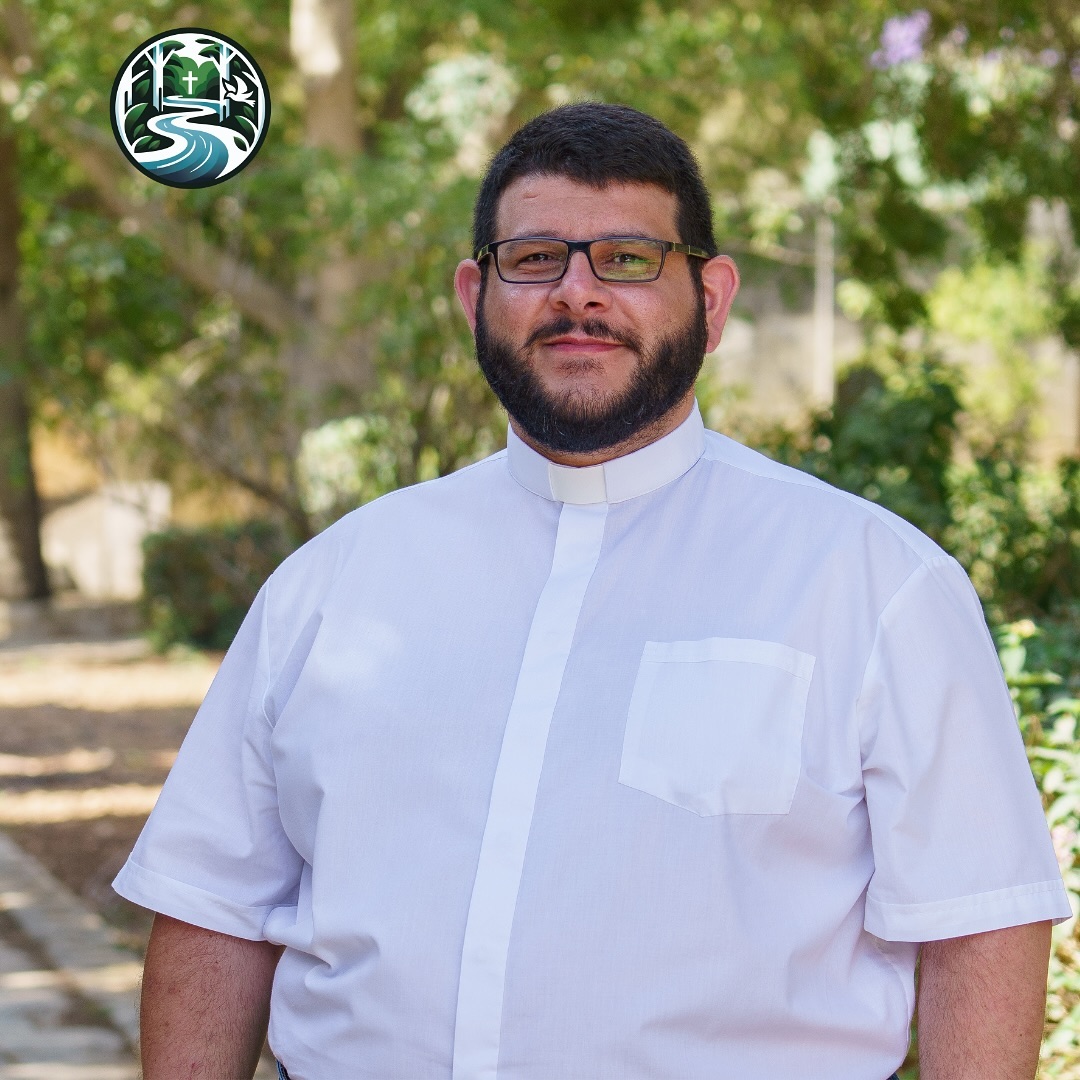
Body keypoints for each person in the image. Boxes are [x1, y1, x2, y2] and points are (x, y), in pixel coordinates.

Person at [115, 102, 1071, 1080]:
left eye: (628, 259)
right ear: (474, 295)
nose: (578, 292)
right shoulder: (332, 583)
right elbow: (213, 906)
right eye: (534, 259)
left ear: (713, 300)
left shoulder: (873, 582)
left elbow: (980, 920)